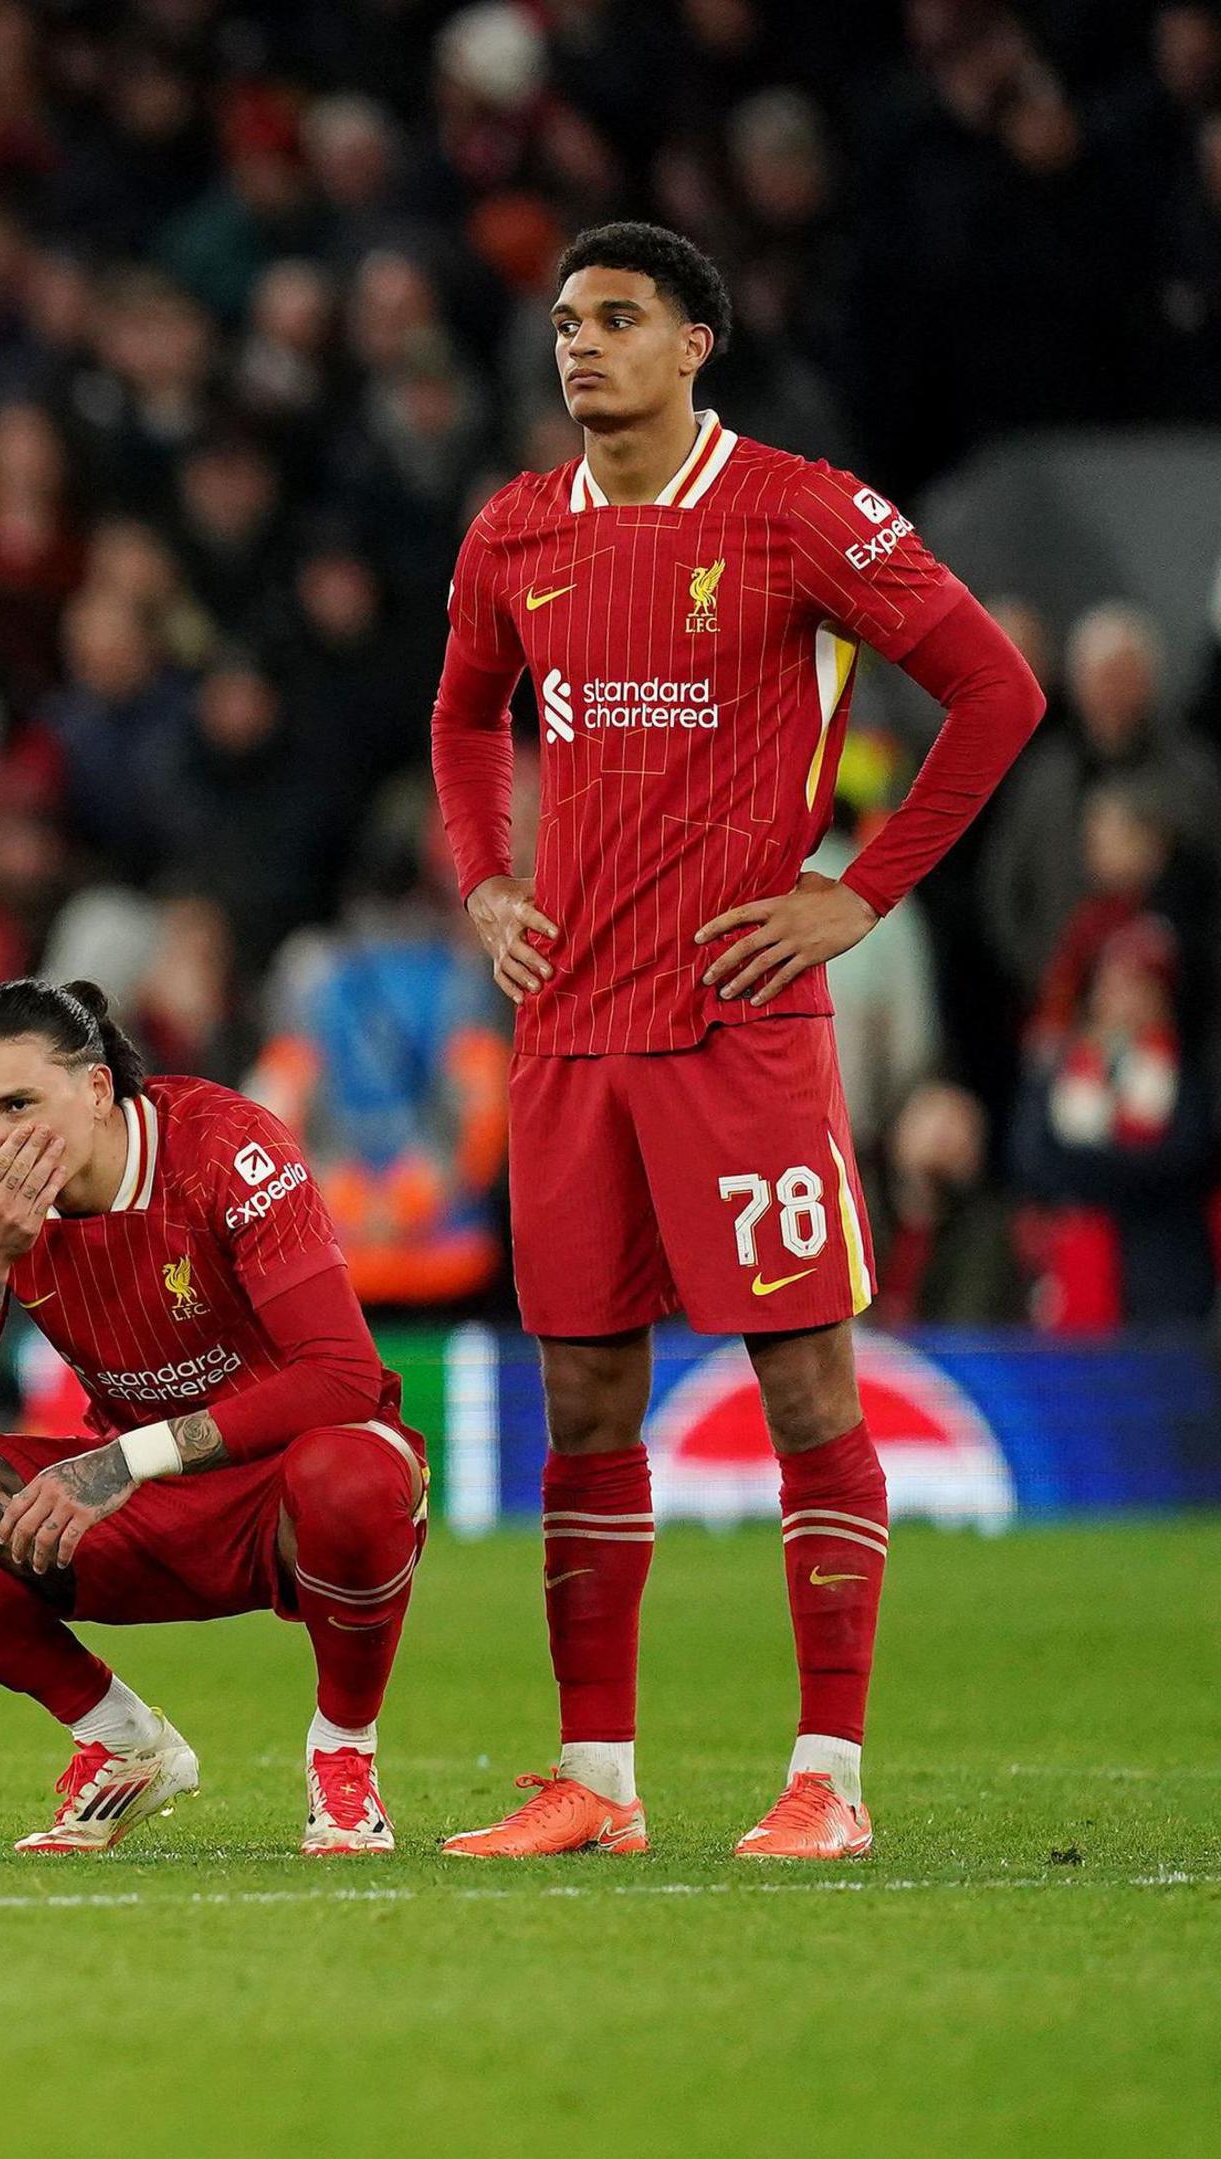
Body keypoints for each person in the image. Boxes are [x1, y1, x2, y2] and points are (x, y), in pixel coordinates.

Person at [428, 222, 1044, 1862]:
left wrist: (865, 889)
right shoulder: (516, 529)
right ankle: (596, 1778)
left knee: (803, 1374)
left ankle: (829, 1775)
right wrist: (487, 879)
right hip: (569, 1030)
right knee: (582, 1392)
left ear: (696, 342)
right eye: (566, 322)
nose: (582, 346)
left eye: (619, 318)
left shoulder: (795, 510)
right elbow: (460, 708)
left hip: (738, 1017)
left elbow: (995, 688)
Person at [0, 980, 427, 1856]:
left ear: (98, 1089)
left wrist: (126, 1460)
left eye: (17, 1104)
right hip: (135, 1505)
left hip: (281, 1495)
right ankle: (120, 1738)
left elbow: (343, 1376)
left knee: (349, 1476)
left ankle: (344, 1759)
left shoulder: (225, 1145)